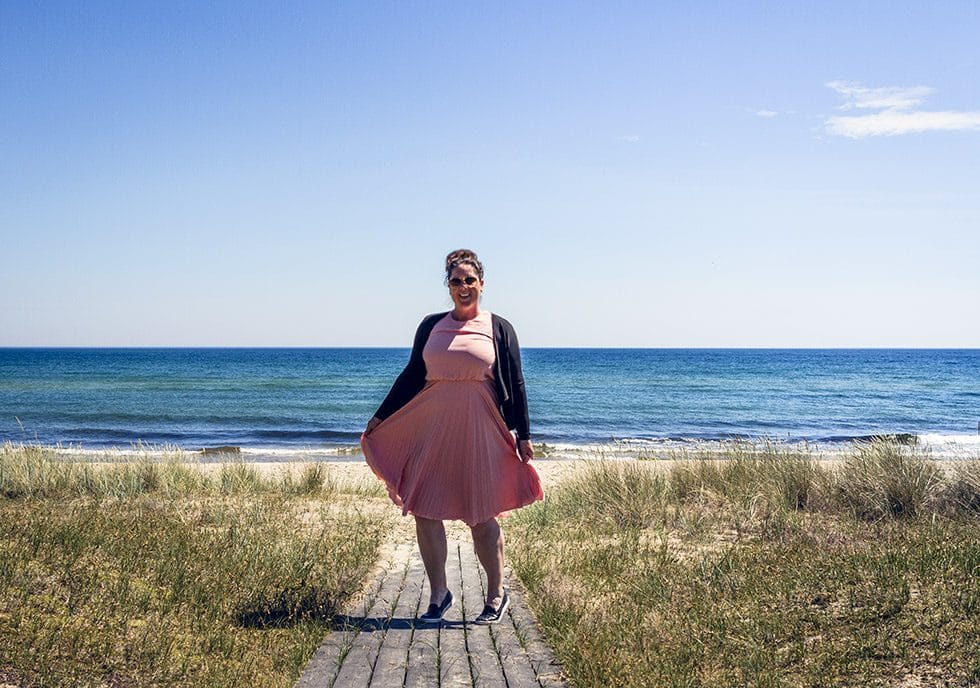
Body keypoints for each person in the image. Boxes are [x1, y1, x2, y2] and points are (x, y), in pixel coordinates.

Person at [361, 249, 543, 625]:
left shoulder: (498, 327)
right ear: (448, 285)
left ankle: (496, 594)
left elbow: (518, 383)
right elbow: (412, 375)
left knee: (481, 514)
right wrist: (380, 416)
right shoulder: (431, 325)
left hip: (481, 427)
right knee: (425, 508)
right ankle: (439, 594)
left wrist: (524, 434)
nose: (463, 287)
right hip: (432, 427)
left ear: (481, 283)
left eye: (469, 280)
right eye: (456, 281)